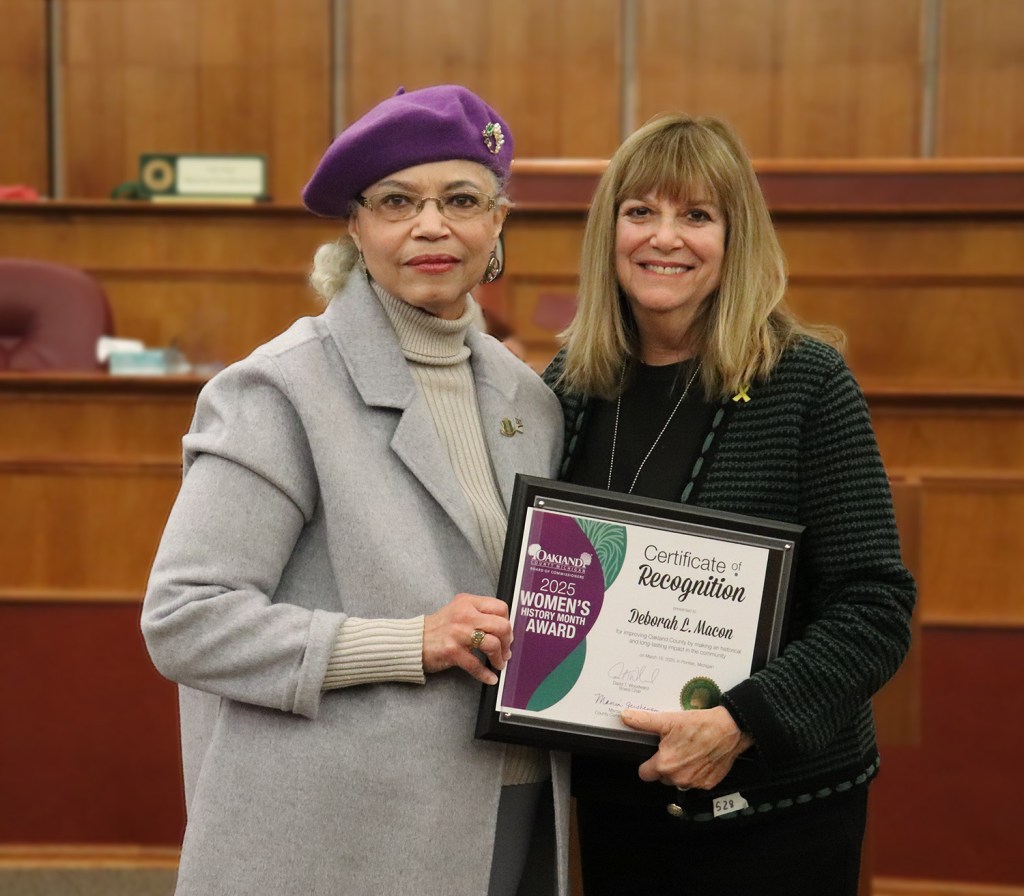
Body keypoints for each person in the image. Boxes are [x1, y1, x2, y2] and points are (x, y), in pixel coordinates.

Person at [141, 85, 569, 896]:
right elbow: (185, 621)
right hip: (339, 839)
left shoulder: (529, 398)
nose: (432, 226)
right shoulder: (279, 391)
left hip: (505, 806)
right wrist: (410, 642)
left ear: (499, 224)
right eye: (398, 201)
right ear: (356, 226)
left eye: (462, 200)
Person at [543, 114, 916, 895]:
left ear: (734, 238)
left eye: (696, 215)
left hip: (775, 815)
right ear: (608, 232)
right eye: (639, 211)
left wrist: (741, 720)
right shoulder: (566, 389)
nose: (664, 237)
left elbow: (875, 607)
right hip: (619, 803)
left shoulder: (806, 384)